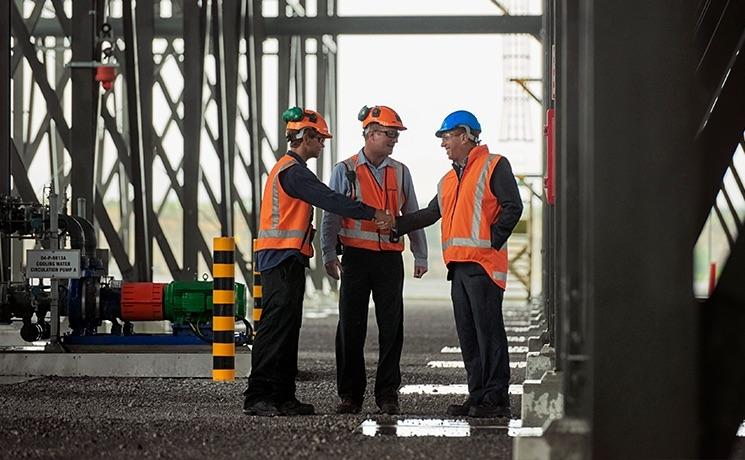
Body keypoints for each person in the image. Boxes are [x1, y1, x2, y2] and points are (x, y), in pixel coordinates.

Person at [243, 106, 393, 417]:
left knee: (288, 329)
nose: (323, 144)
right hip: (280, 257)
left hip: (289, 257)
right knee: (275, 328)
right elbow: (329, 199)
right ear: (306, 137)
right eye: (320, 139)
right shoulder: (293, 171)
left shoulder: (293, 169)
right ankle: (258, 396)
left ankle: (283, 396)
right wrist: (371, 212)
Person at [391, 110, 523, 418]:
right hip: (458, 268)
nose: (443, 144)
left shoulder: (494, 165)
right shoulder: (448, 180)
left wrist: (492, 240)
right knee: (469, 335)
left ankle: (496, 399)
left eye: (447, 137)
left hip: (483, 265)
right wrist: (395, 224)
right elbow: (430, 213)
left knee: (488, 334)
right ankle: (477, 396)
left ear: (466, 135)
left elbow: (513, 206)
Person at [321, 105, 428, 415]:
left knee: (391, 328)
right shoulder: (345, 170)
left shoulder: (401, 171)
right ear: (370, 134)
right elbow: (331, 215)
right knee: (350, 327)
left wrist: (420, 253)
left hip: (389, 261)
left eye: (396, 135)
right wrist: (328, 253)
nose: (394, 139)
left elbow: (411, 215)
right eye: (389, 133)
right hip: (355, 259)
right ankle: (350, 395)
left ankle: (387, 395)